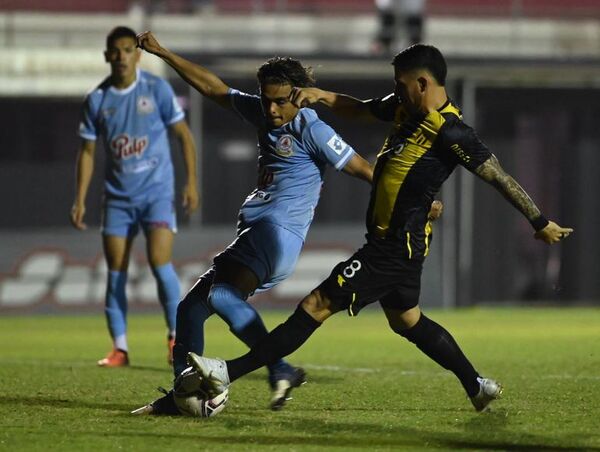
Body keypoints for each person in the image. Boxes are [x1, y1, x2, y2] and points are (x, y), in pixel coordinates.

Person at [183, 44, 574, 413]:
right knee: (407, 320)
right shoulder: (404, 109)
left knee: (315, 306)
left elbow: (497, 175)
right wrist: (321, 96)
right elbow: (362, 110)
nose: (396, 92)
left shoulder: (451, 131)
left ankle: (227, 371)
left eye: (401, 85)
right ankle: (476, 386)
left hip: (392, 246)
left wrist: (539, 222)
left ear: (422, 83)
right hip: (402, 243)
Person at [132, 31, 378, 413]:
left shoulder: (311, 129)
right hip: (258, 233)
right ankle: (183, 395)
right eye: (267, 100)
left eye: (281, 101)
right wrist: (164, 53)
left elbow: (363, 168)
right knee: (191, 308)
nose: (273, 109)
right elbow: (215, 89)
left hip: (275, 234)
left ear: (299, 95)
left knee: (219, 296)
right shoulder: (263, 114)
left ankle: (279, 368)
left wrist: (417, 201)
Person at [70, 26, 199, 368]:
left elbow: (184, 136)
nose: (123, 56)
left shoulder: (156, 89)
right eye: (116, 51)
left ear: (137, 55)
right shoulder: (97, 99)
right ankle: (120, 349)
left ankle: (175, 338)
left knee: (160, 263)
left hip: (156, 193)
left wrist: (191, 183)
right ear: (107, 56)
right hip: (117, 199)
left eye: (129, 50)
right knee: (115, 273)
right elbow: (86, 152)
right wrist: (79, 199)